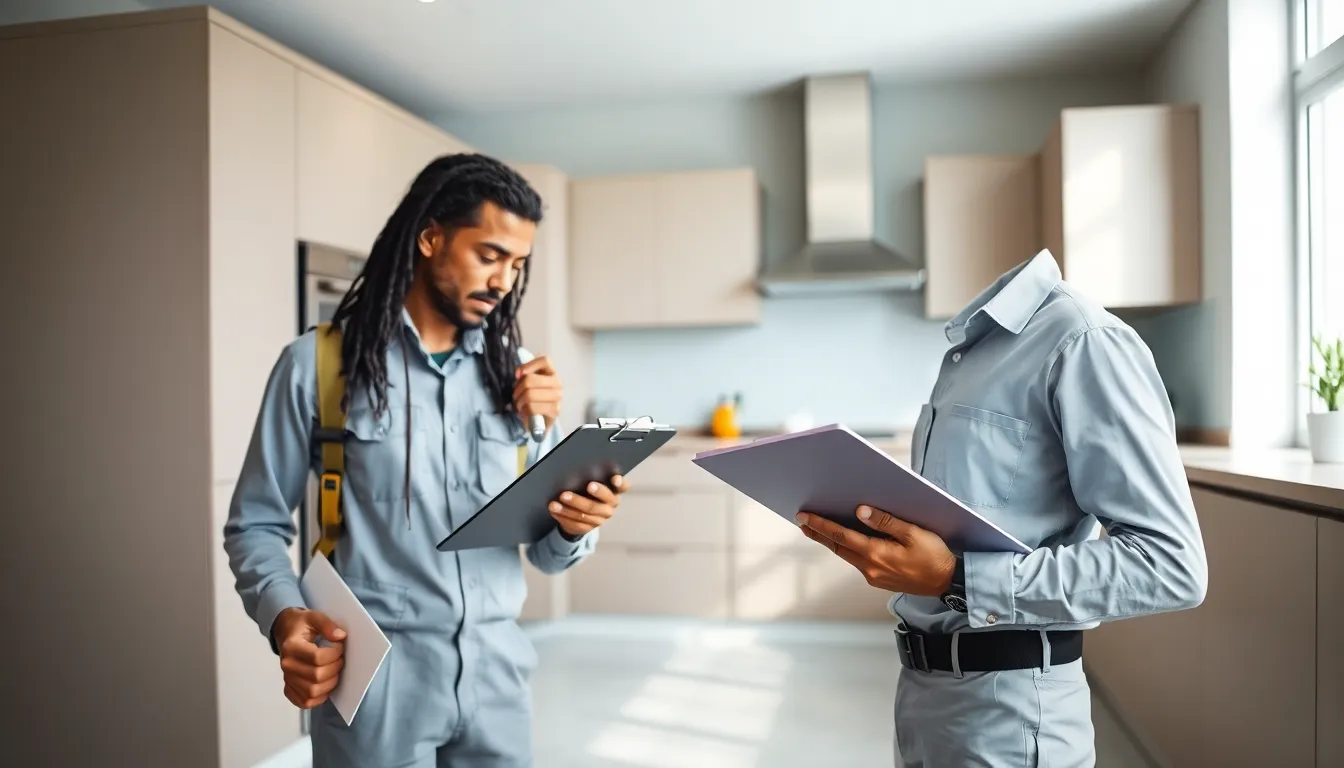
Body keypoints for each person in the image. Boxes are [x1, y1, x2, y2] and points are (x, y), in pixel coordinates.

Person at [223, 153, 628, 767]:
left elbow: (548, 555)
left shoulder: (519, 375)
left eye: (516, 264)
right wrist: (284, 618)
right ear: (431, 237)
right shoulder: (316, 366)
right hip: (375, 677)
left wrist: (577, 522)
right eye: (489, 255)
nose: (503, 281)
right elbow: (255, 522)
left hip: (497, 675)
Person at [796, 249, 1208, 767]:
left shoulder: (1083, 341)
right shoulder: (971, 355)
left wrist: (955, 577)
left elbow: (1170, 565)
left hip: (1012, 714)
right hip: (925, 701)